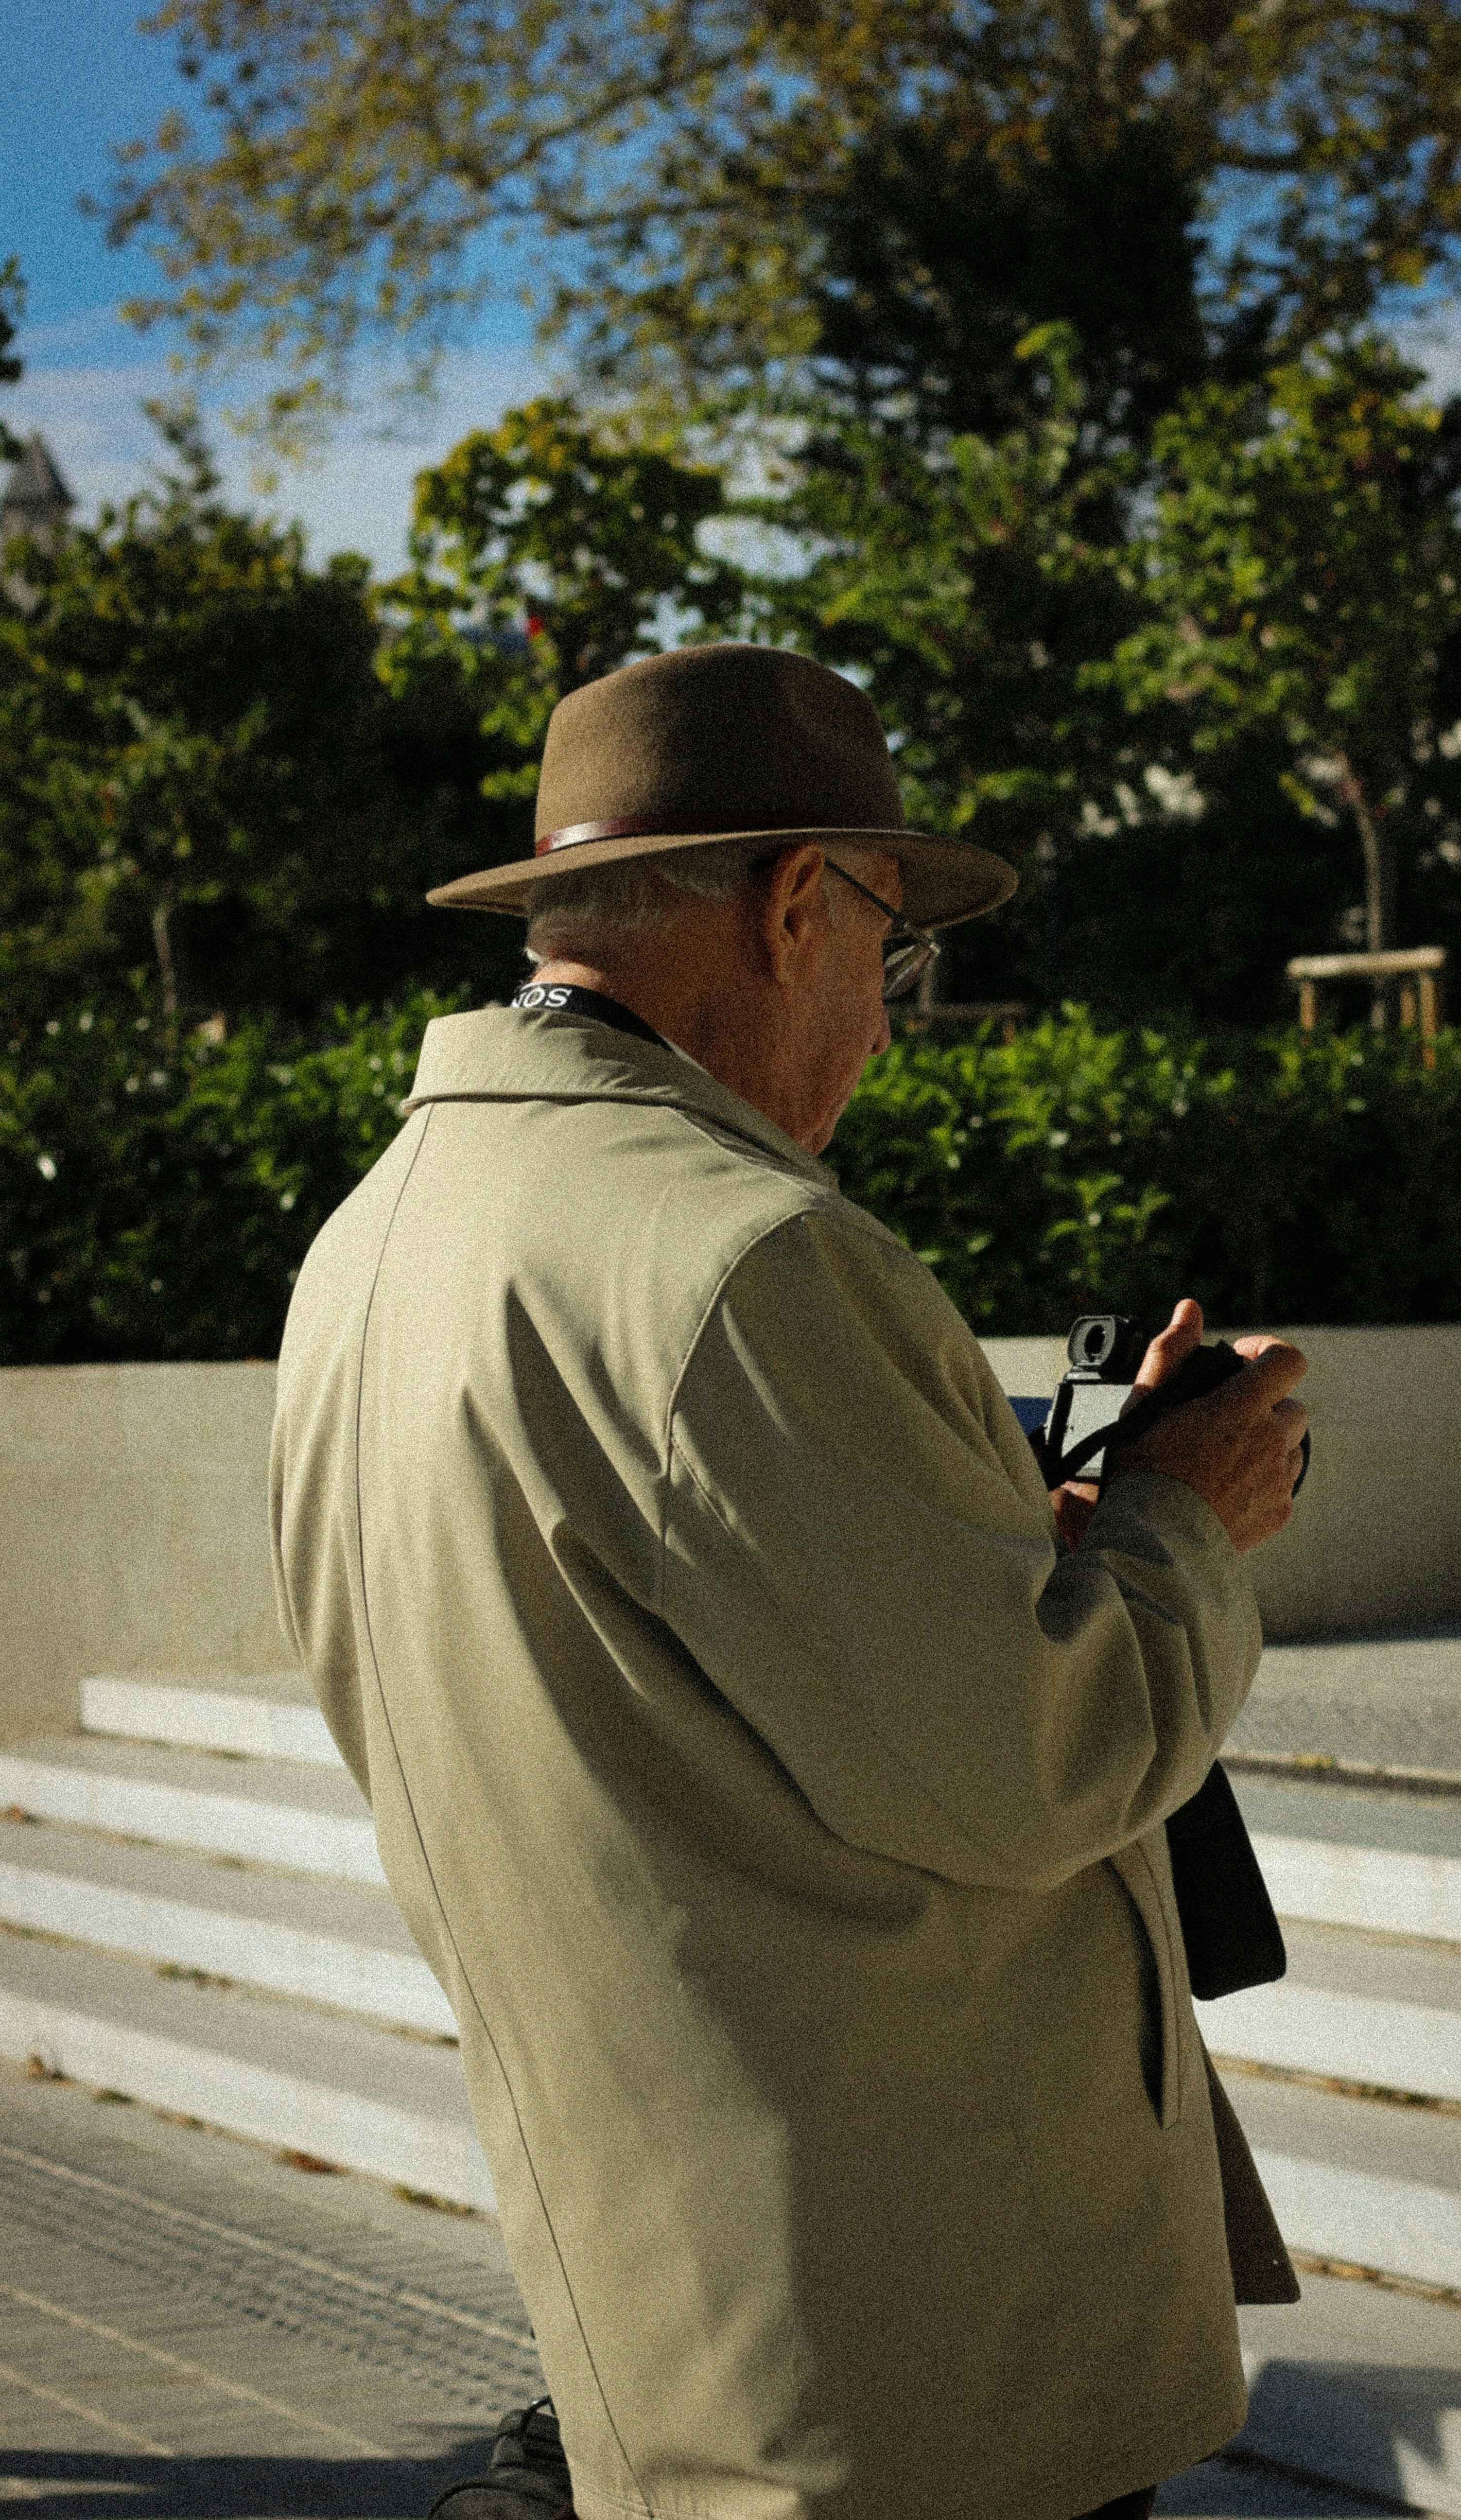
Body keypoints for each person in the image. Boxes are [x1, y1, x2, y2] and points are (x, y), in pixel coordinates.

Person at [270, 642, 1307, 2520]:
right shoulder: (744, 1254)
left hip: (686, 2306)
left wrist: (1002, 1536)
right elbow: (1033, 1761)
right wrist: (1185, 1518)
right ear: (799, 902)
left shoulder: (376, 1238)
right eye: (895, 958)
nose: (893, 1023)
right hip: (919, 2354)